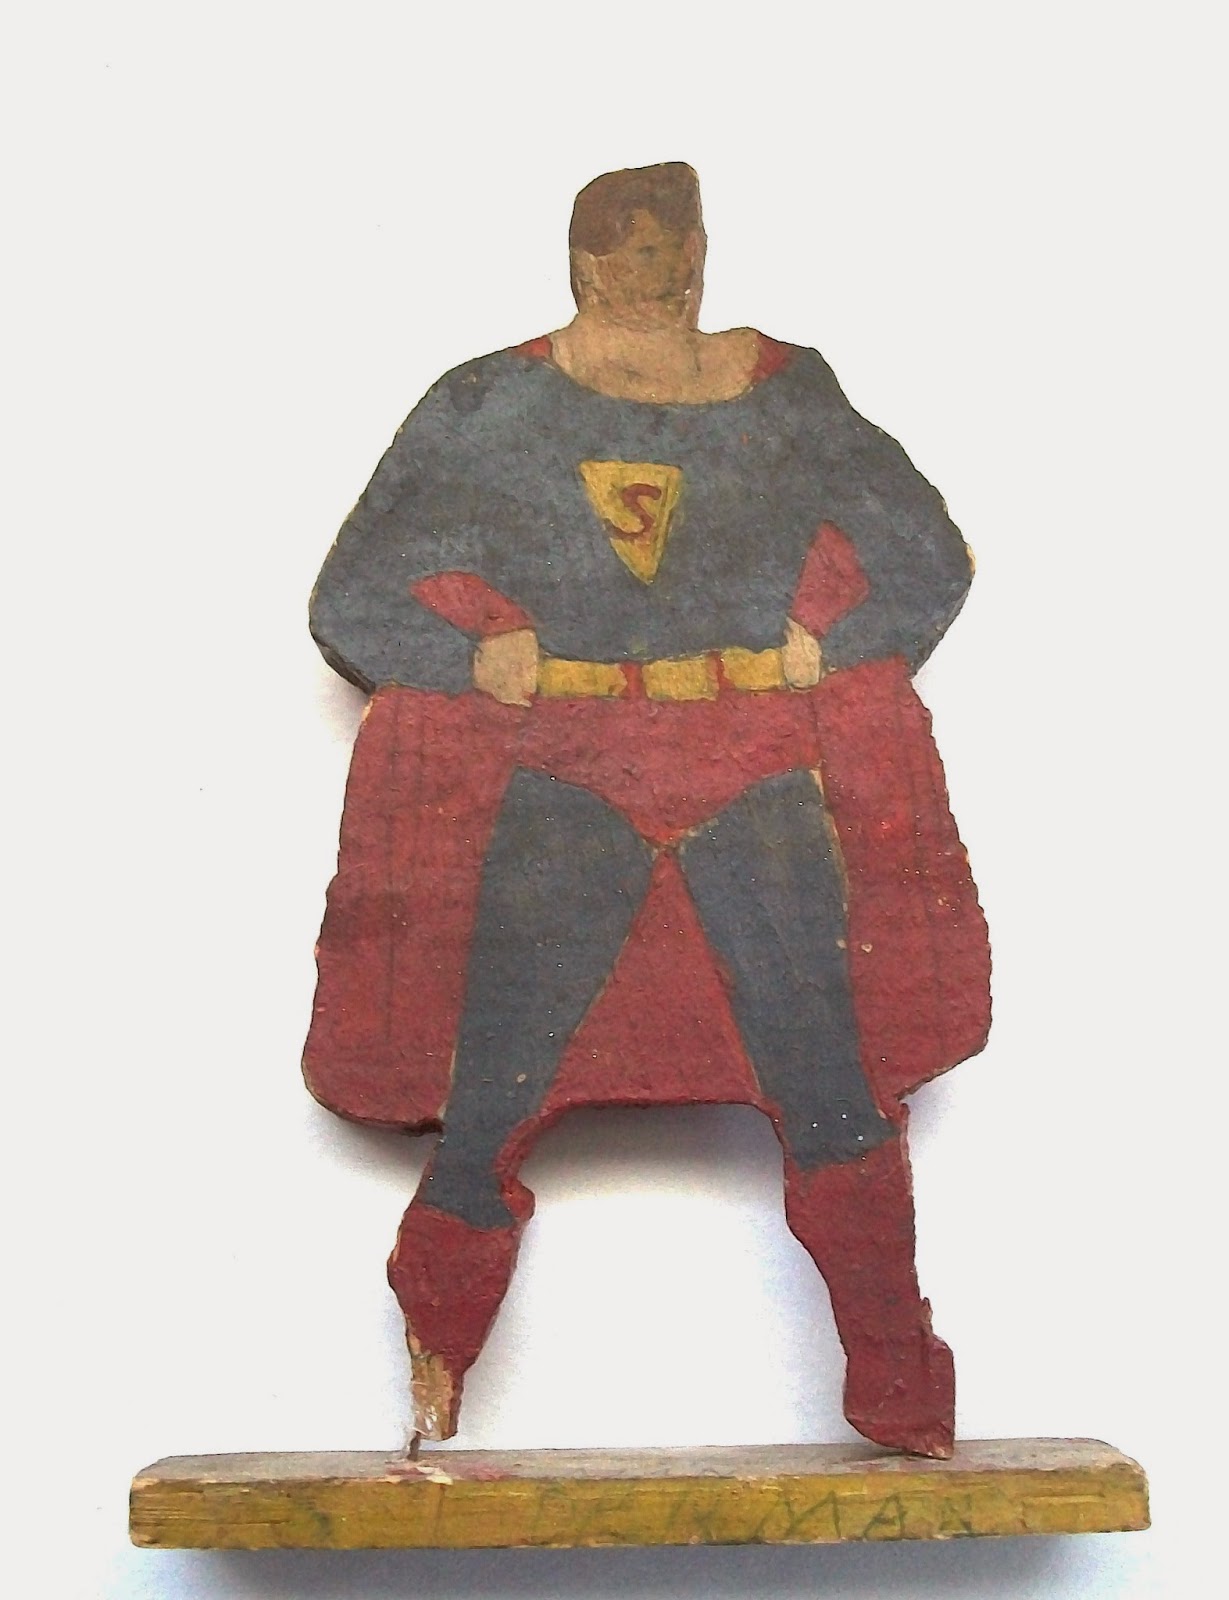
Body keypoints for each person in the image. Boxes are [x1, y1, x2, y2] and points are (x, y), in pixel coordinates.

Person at [305, 163, 991, 1456]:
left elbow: (926, 558)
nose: (663, 275)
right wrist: (470, 657)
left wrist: (836, 641)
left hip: (751, 765)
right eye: (631, 252)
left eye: (678, 247)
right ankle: (434, 1373)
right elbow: (352, 600)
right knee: (486, 1097)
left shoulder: (784, 391)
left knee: (831, 1085)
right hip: (570, 767)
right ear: (583, 265)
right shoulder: (488, 403)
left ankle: (902, 1387)